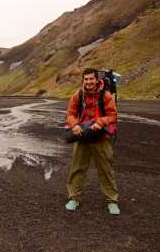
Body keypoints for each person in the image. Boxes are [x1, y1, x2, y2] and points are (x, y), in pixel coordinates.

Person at [65, 67, 120, 215]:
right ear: (83, 80)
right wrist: (74, 125)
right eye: (86, 79)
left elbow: (113, 116)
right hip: (82, 136)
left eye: (91, 79)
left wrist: (101, 122)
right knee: (77, 168)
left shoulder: (106, 96)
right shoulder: (78, 95)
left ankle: (112, 200)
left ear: (97, 80)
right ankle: (74, 198)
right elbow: (70, 114)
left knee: (105, 169)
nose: (88, 82)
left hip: (101, 138)